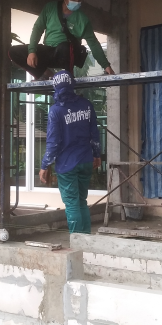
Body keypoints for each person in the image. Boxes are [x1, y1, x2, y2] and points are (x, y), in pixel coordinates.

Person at [8, 0, 115, 80]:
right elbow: (37, 29)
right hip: (49, 51)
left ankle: (68, 77)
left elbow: (94, 44)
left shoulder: (83, 20)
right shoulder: (50, 8)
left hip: (68, 54)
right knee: (14, 52)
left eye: (80, 0)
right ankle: (45, 73)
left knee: (65, 47)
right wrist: (32, 51)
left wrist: (106, 66)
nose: (77, 2)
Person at [38, 71, 101, 234]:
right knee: (81, 201)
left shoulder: (56, 110)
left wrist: (45, 165)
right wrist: (97, 155)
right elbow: (94, 133)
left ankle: (77, 241)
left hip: (67, 164)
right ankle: (85, 239)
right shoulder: (86, 105)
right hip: (86, 159)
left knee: (72, 204)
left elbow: (53, 142)